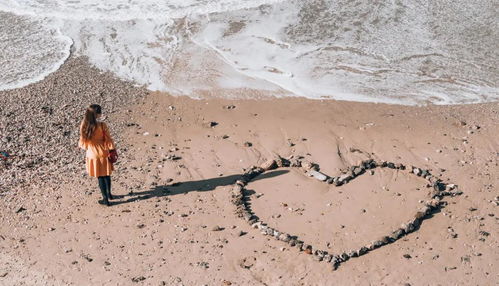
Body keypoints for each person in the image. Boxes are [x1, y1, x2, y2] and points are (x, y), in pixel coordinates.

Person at [78, 104, 117, 206]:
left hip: (92, 153)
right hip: (104, 151)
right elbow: (108, 139)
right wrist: (111, 148)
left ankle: (105, 199)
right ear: (98, 114)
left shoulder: (84, 125)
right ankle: (109, 194)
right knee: (106, 174)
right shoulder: (102, 125)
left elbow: (83, 142)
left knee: (100, 176)